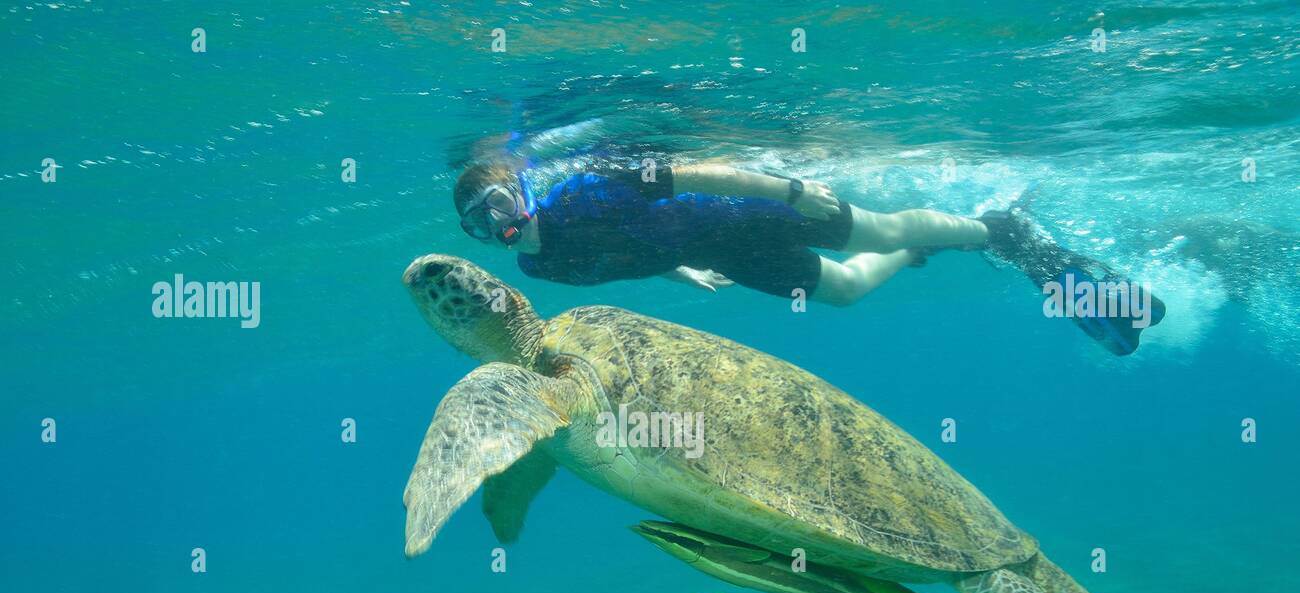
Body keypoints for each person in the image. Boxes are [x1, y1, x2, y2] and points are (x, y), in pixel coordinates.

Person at [453, 159, 1164, 354]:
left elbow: (701, 171)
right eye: (478, 225)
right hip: (718, 251)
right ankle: (930, 245)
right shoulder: (535, 269)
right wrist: (682, 269)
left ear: (520, 192)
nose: (497, 227)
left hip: (743, 210)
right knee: (849, 291)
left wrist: (793, 190)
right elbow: (619, 257)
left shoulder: (584, 190)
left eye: (499, 208)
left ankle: (997, 230)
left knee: (879, 231)